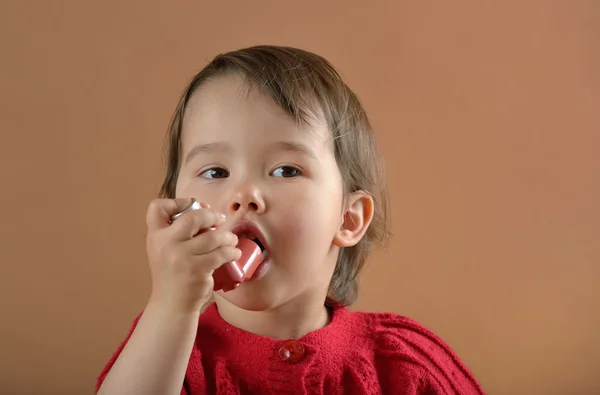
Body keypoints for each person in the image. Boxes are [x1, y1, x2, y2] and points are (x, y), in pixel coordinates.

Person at [96, 45, 484, 395]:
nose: (243, 195)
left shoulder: (406, 364)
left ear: (348, 219)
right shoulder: (163, 355)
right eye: (215, 172)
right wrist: (170, 305)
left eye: (285, 170)